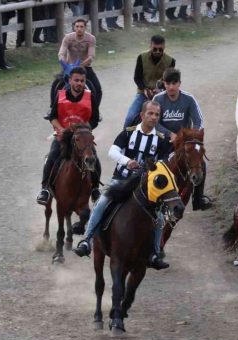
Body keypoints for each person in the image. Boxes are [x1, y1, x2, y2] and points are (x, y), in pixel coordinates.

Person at [73, 100, 174, 270]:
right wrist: (127, 162)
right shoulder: (128, 133)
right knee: (101, 204)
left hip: (145, 186)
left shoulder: (162, 140)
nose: (154, 117)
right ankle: (87, 240)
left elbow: (165, 160)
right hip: (121, 180)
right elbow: (113, 151)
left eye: (157, 114)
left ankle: (155, 253)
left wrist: (154, 166)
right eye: (150, 113)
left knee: (160, 217)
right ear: (142, 115)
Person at [37, 67, 101, 205]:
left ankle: (95, 189)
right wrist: (61, 130)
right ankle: (45, 190)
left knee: (94, 159)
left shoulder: (91, 97)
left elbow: (95, 119)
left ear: (85, 82)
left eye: (82, 81)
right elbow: (52, 117)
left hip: (82, 138)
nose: (79, 83)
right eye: (76, 80)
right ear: (70, 80)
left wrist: (83, 129)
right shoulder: (60, 96)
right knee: (52, 156)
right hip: (63, 136)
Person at [152, 67, 212, 212]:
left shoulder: (189, 99)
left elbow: (199, 120)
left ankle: (198, 199)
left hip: (185, 142)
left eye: (174, 83)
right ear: (164, 84)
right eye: (168, 83)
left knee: (201, 165)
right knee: (151, 163)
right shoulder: (158, 99)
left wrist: (193, 135)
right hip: (163, 140)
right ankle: (151, 196)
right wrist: (169, 134)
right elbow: (154, 122)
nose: (171, 87)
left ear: (179, 83)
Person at [123, 35, 175, 128]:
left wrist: (161, 89)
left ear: (164, 47)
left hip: (162, 95)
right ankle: (123, 140)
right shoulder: (141, 57)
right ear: (150, 46)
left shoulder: (170, 61)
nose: (157, 52)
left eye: (160, 49)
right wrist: (145, 89)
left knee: (172, 120)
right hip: (143, 93)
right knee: (129, 119)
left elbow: (169, 81)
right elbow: (137, 77)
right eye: (155, 49)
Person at [57, 18, 101, 104]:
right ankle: (52, 110)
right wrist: (64, 64)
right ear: (74, 27)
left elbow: (91, 56)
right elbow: (61, 53)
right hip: (69, 68)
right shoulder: (67, 38)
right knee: (56, 85)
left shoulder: (91, 38)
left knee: (97, 89)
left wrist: (82, 64)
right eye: (77, 26)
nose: (79, 29)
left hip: (84, 67)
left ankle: (95, 111)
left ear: (85, 28)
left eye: (81, 27)